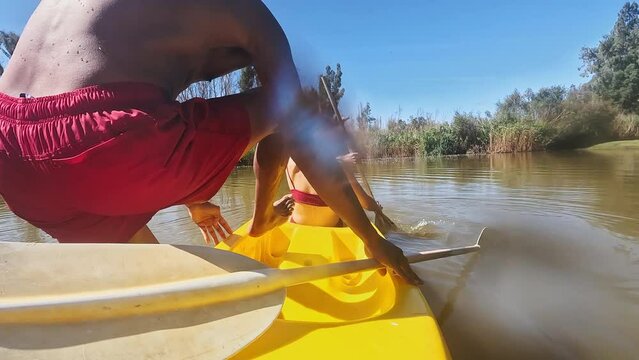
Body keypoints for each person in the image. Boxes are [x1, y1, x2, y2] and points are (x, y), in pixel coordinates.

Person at [0, 0, 421, 284]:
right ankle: (259, 221)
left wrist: (192, 196)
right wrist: (372, 238)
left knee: (149, 286)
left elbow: (82, 112)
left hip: (14, 167)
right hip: (112, 146)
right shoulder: (250, 14)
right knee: (295, 105)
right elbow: (291, 119)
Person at [287, 152, 383, 227]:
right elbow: (365, 204)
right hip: (331, 228)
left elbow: (310, 159)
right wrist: (376, 207)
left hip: (298, 227)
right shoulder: (339, 169)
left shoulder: (289, 164)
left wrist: (339, 160)